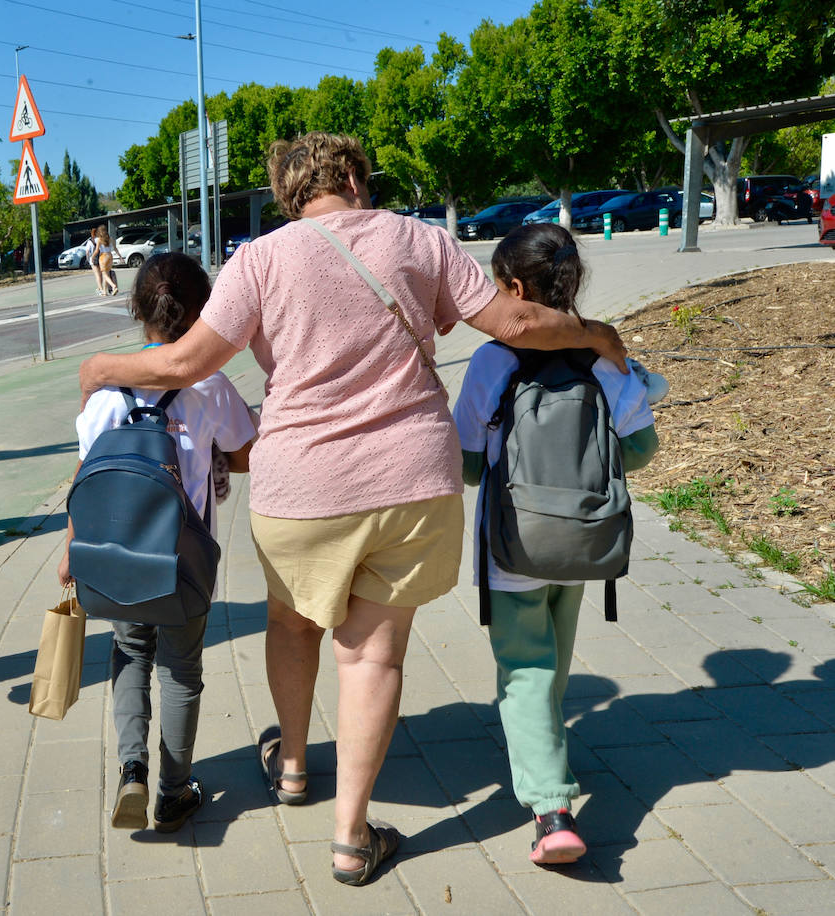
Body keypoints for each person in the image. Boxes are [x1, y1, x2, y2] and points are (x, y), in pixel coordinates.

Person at [78, 132, 628, 886]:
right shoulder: (419, 239)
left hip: (299, 488)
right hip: (410, 481)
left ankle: (296, 766)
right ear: (354, 176)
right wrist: (600, 334)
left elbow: (185, 363)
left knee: (291, 622)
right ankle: (350, 837)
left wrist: (102, 367)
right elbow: (519, 324)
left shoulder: (260, 259)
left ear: (288, 193)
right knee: (373, 655)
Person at [452, 224, 659, 865]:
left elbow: (463, 462)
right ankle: (542, 743)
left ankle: (551, 808)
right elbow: (642, 450)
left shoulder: (493, 361)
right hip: (583, 541)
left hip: (513, 543)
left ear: (514, 290)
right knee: (556, 650)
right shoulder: (606, 357)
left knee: (525, 667)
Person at [58, 252, 257, 833]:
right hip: (183, 559)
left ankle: (131, 771)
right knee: (180, 669)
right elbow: (244, 452)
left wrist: (72, 548)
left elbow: (84, 477)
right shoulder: (211, 386)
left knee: (129, 653)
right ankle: (174, 791)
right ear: (203, 312)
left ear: (137, 311)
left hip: (116, 557)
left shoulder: (103, 392)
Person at [95, 225, 122, 296]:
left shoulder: (99, 240)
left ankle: (113, 286)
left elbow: (97, 250)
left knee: (104, 274)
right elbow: (115, 248)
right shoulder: (110, 239)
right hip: (110, 256)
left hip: (103, 257)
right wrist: (120, 257)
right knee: (106, 274)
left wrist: (92, 257)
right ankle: (104, 291)